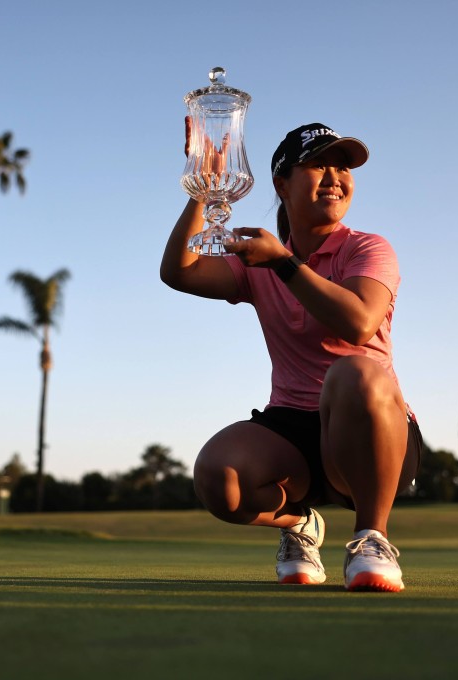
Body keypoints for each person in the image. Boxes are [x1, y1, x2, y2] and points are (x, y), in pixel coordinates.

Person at [160, 121, 423, 592]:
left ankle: (371, 538)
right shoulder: (259, 260)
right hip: (292, 431)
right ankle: (300, 522)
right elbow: (178, 272)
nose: (334, 176)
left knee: (354, 372)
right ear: (282, 184)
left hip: (371, 429)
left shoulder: (367, 248)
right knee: (219, 479)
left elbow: (359, 322)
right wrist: (202, 190)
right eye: (318, 164)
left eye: (343, 166)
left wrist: (283, 262)